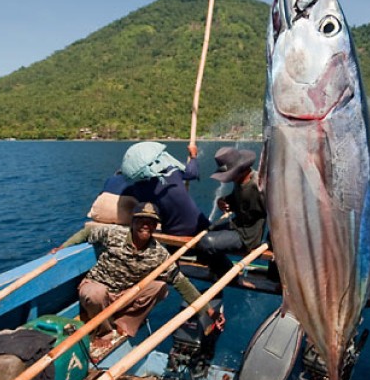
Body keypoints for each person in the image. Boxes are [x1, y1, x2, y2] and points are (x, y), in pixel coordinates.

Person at [53, 202, 222, 346]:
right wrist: (63, 248)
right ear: (133, 222)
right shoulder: (114, 234)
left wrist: (207, 311)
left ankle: (122, 323)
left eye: (151, 222)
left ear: (156, 226)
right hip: (99, 286)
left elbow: (180, 282)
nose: (146, 225)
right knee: (95, 294)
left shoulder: (158, 253)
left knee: (161, 287)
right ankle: (103, 331)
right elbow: (87, 233)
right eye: (142, 220)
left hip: (124, 295)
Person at [196, 147, 267, 283]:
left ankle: (227, 274)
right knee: (204, 230)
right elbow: (237, 201)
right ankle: (218, 266)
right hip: (236, 225)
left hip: (247, 236)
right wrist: (222, 201)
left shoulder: (258, 186)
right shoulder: (240, 181)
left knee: (206, 243)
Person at [120, 141, 209, 236]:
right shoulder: (173, 170)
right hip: (199, 226)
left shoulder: (138, 189)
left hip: (172, 232)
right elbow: (192, 173)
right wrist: (193, 156)